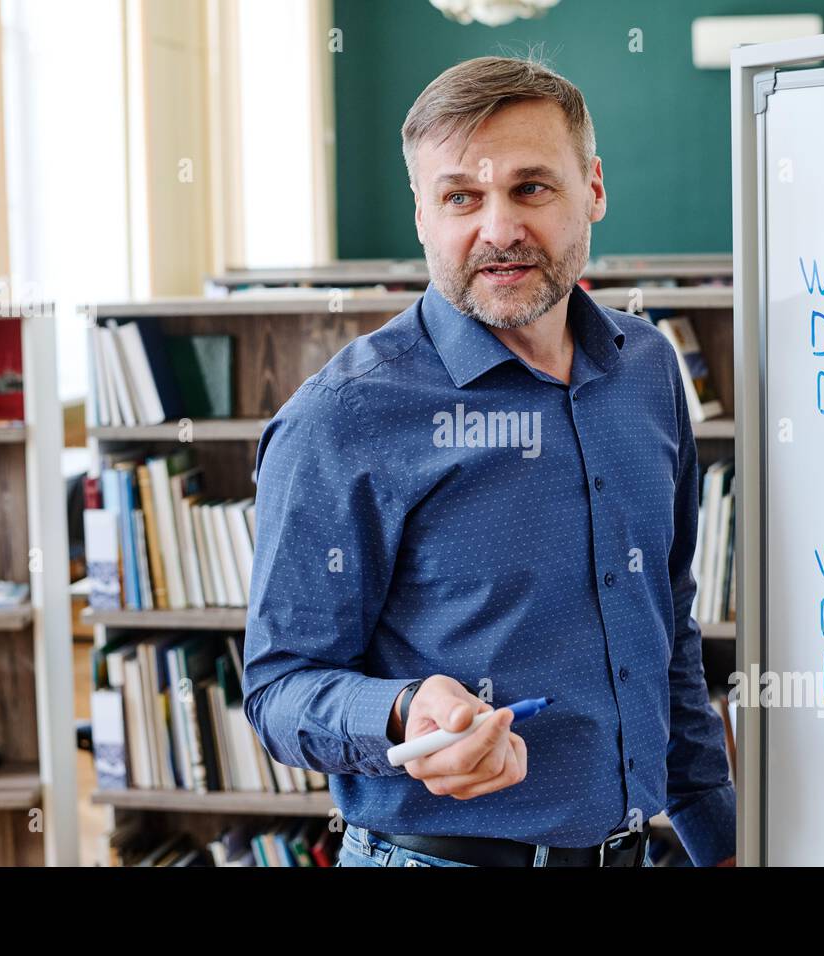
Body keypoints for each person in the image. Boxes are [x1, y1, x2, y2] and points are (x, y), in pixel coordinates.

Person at [242, 54, 736, 867]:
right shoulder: (343, 419)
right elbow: (277, 690)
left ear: (595, 189)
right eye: (462, 197)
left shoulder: (647, 369)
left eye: (531, 188)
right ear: (423, 215)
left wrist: (716, 836)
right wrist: (403, 709)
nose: (498, 228)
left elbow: (665, 623)